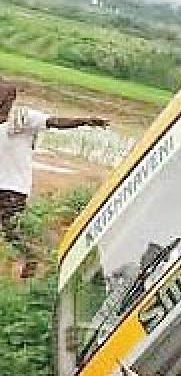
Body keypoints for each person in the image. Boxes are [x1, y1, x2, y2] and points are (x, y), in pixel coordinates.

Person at [0, 79, 109, 277]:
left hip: (13, 188)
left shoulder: (22, 119)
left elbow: (56, 122)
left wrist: (84, 121)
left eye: (4, 97)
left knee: (10, 232)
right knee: (9, 232)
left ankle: (33, 259)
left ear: (10, 99)